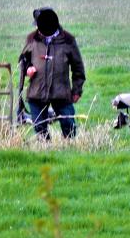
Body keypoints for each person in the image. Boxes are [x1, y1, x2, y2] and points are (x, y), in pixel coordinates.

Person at [18, 7, 85, 140]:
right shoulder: (31, 39)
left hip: (61, 92)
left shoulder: (68, 40)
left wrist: (77, 90)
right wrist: (28, 68)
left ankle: (69, 149)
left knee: (68, 124)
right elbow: (23, 60)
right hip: (37, 92)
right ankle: (45, 150)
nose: (37, 28)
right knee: (39, 127)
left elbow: (78, 68)